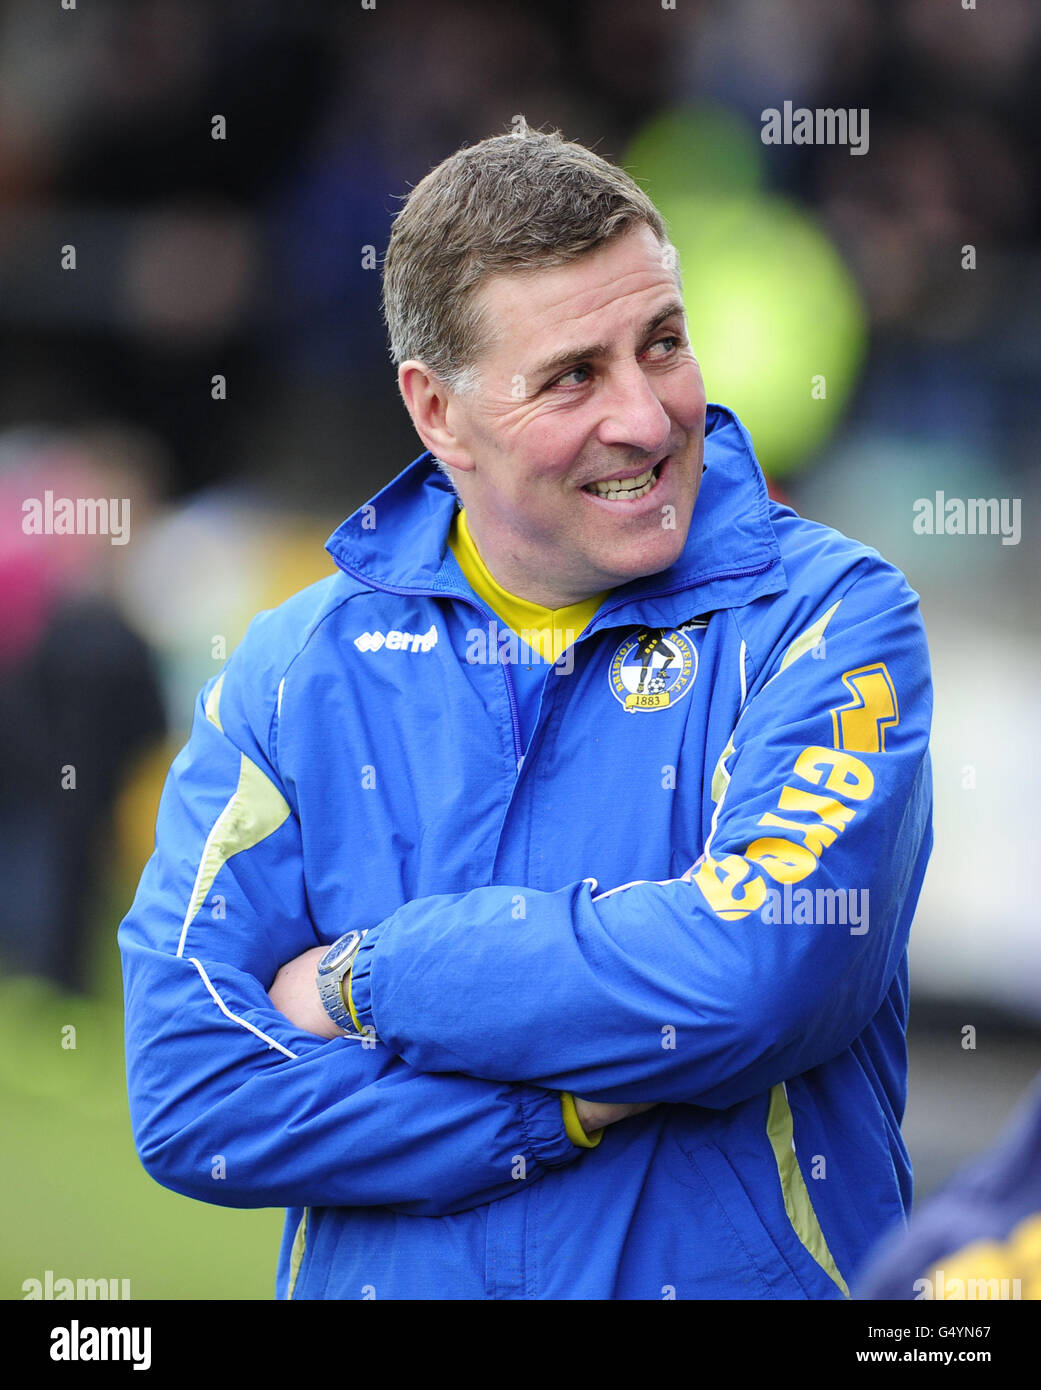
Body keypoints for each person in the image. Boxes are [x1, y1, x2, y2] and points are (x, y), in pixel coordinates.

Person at [119, 125, 933, 1300]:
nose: (648, 420)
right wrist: (557, 1109)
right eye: (573, 376)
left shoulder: (830, 620)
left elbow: (759, 975)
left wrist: (367, 980)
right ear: (437, 413)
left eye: (662, 345)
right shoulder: (298, 667)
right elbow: (195, 1096)